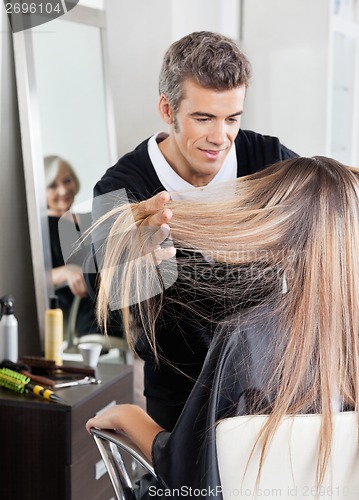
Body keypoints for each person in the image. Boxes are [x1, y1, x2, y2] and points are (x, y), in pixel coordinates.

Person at [87, 156, 359, 498]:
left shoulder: (246, 339)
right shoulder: (124, 176)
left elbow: (190, 476)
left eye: (232, 119)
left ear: (273, 230)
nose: (219, 135)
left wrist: (128, 417)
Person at [91, 31, 298, 431]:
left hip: (272, 387)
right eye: (203, 118)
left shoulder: (272, 162)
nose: (220, 137)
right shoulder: (117, 188)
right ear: (167, 109)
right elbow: (105, 306)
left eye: (232, 118)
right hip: (178, 399)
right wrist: (134, 265)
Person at [44, 155, 98, 337]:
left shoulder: (88, 219)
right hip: (79, 314)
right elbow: (30, 280)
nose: (63, 190)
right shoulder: (41, 229)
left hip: (109, 302)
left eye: (67, 181)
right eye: (52, 185)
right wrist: (65, 272)